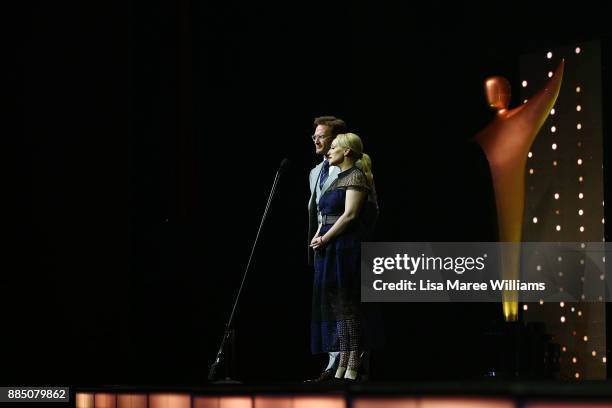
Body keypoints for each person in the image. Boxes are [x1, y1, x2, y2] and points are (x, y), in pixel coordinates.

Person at [310, 132, 380, 381]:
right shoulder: (336, 178)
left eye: (335, 147)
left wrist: (326, 238)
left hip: (345, 246)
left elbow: (349, 215)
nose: (329, 151)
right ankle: (343, 358)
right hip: (329, 246)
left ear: (347, 151)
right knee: (337, 307)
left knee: (349, 305)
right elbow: (324, 215)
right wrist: (319, 236)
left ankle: (353, 360)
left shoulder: (356, 176)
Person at [306, 116, 347, 383]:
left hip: (342, 242)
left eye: (322, 136)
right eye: (315, 137)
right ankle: (333, 362)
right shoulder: (314, 172)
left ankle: (349, 361)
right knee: (326, 304)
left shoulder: (349, 167)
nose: (317, 141)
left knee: (345, 303)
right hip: (321, 243)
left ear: (336, 140)